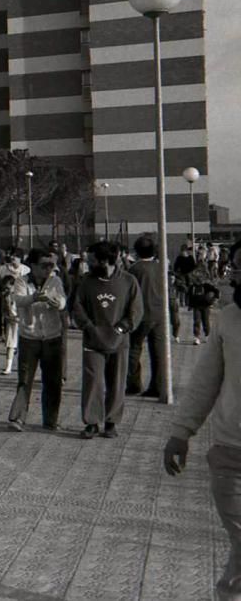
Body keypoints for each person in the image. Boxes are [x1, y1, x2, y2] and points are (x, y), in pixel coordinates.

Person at [164, 240, 241, 601]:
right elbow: (205, 381)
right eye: (236, 267)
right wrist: (181, 432)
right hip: (232, 455)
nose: (236, 274)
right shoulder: (229, 318)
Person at [71, 241, 143, 440]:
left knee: (117, 383)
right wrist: (89, 327)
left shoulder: (129, 281)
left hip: (119, 342)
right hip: (92, 342)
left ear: (106, 260)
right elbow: (77, 307)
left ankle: (111, 423)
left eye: (93, 259)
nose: (89, 263)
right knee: (92, 383)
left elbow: (136, 311)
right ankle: (92, 422)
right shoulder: (86, 282)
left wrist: (121, 328)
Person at [6, 249, 67, 431]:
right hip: (29, 337)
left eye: (51, 265)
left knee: (53, 381)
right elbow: (18, 300)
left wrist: (58, 303)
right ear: (32, 266)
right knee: (25, 380)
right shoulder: (21, 281)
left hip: (52, 336)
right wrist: (33, 297)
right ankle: (17, 418)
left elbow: (63, 300)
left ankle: (50, 420)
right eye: (44, 265)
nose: (48, 269)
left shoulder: (55, 281)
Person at [126, 235, 171, 399]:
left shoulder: (134, 270)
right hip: (159, 315)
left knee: (133, 349)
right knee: (158, 351)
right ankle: (158, 386)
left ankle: (134, 383)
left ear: (137, 251)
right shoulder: (161, 268)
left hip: (140, 315)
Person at [0, 249, 29, 374]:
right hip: (11, 316)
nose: (13, 258)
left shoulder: (26, 270)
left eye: (16, 256)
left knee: (24, 342)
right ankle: (8, 366)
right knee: (10, 342)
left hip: (22, 311)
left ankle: (24, 365)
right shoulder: (5, 269)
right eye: (12, 256)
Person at [187, 266, 221, 346]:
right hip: (196, 307)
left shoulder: (206, 286)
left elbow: (216, 291)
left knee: (206, 321)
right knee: (197, 321)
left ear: (202, 278)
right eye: (196, 278)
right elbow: (190, 296)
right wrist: (190, 305)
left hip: (205, 306)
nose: (198, 279)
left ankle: (207, 335)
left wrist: (215, 298)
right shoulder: (192, 287)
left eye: (199, 278)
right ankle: (196, 337)